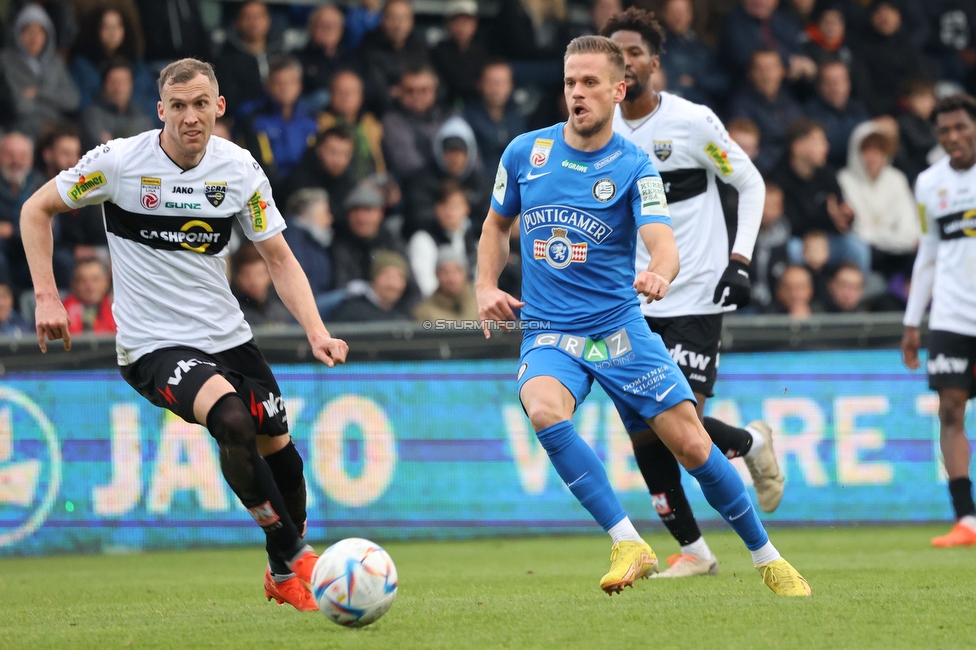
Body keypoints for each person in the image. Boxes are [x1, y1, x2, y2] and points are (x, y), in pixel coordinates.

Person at [477, 34, 810, 595]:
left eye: (589, 83)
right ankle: (628, 540)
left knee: (694, 446)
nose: (577, 93)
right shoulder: (524, 153)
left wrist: (661, 270)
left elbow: (663, 240)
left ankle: (767, 557)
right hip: (551, 330)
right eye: (569, 82)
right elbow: (493, 227)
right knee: (542, 410)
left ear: (617, 89)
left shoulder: (633, 165)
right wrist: (485, 284)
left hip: (620, 330)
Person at [19, 58, 349, 612]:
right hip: (153, 344)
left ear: (219, 106)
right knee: (232, 421)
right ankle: (296, 554)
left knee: (283, 457)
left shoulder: (239, 169)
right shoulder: (120, 163)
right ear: (161, 111)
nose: (190, 117)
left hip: (227, 336)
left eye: (201, 104)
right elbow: (35, 209)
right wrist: (48, 296)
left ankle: (278, 571)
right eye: (178, 106)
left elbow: (278, 257)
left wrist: (316, 330)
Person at [603, 8, 784, 579]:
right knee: (641, 425)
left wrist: (740, 259)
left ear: (653, 63)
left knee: (679, 426)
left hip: (698, 290)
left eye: (632, 52)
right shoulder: (596, 135)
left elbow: (749, 182)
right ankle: (695, 550)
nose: (624, 62)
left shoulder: (692, 122)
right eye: (615, 54)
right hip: (632, 298)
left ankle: (753, 443)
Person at [902, 93, 976, 548]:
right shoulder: (929, 183)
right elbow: (928, 249)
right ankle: (967, 518)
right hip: (950, 312)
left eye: (960, 127)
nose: (953, 137)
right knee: (950, 409)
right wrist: (913, 321)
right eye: (944, 131)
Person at [838, 123, 918, 279]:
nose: (873, 157)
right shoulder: (844, 180)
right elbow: (859, 230)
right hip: (870, 252)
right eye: (867, 150)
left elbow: (909, 227)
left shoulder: (896, 178)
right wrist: (892, 239)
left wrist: (895, 240)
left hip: (899, 250)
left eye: (879, 151)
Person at [413, 246, 479, 323]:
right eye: (445, 272)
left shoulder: (482, 305)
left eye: (456, 271)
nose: (451, 278)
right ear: (437, 275)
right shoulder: (424, 313)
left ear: (465, 274)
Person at [62, 256, 116, 333]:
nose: (90, 287)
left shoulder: (119, 309)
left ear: (107, 281)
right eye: (83, 281)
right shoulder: (61, 313)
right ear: (74, 284)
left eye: (96, 280)